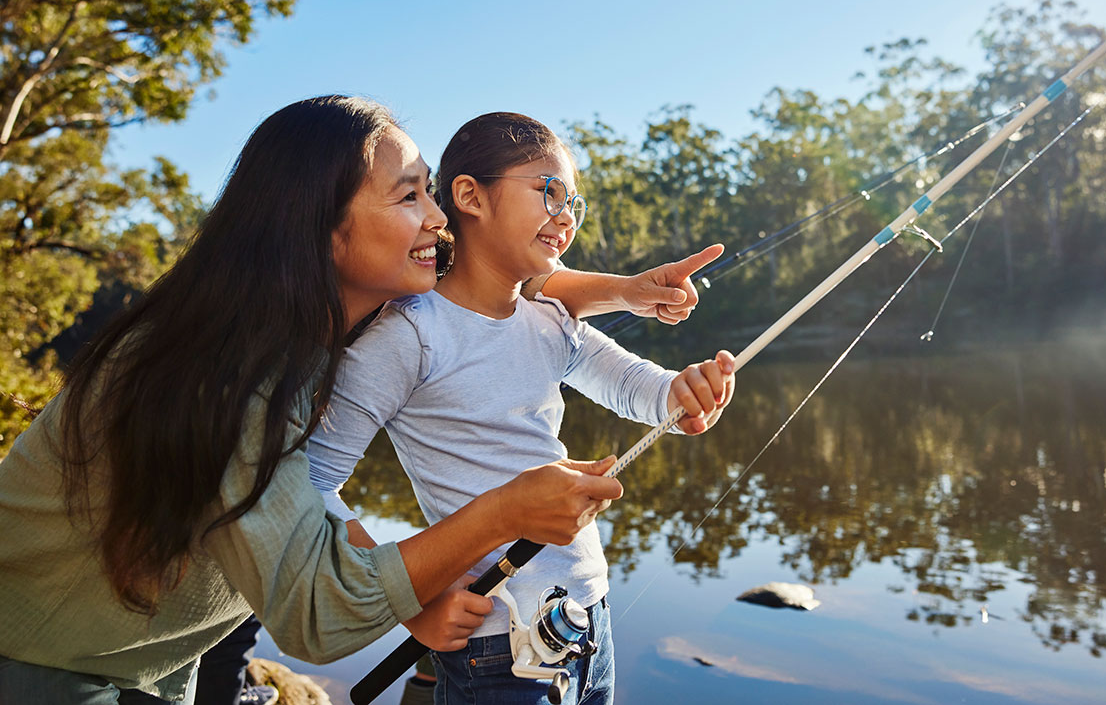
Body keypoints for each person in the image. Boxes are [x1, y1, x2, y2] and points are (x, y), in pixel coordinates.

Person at [0, 96, 704, 705]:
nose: (437, 219)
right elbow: (315, 608)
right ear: (320, 225)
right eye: (409, 197)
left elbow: (508, 291)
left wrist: (622, 292)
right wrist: (503, 512)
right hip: (44, 665)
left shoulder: (322, 333)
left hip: (151, 667)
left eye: (430, 193)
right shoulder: (226, 376)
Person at [307, 112, 737, 705]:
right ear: (469, 196)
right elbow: (311, 484)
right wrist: (410, 603)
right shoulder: (408, 335)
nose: (565, 216)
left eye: (574, 202)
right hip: (495, 646)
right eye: (549, 191)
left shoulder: (552, 319)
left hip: (591, 614)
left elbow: (635, 386)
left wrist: (683, 392)